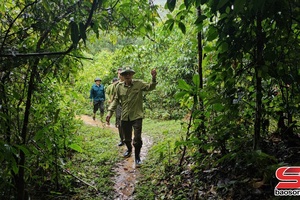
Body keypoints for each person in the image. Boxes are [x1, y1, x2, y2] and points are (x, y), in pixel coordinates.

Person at [106, 67, 157, 166]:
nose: (128, 76)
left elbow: (150, 87)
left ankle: (137, 157)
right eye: (125, 74)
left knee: (137, 138)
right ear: (122, 76)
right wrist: (109, 112)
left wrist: (153, 78)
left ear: (132, 75)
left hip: (137, 115)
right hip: (125, 116)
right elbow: (116, 100)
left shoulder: (139, 83)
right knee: (126, 139)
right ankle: (129, 149)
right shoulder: (119, 87)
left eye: (129, 74)